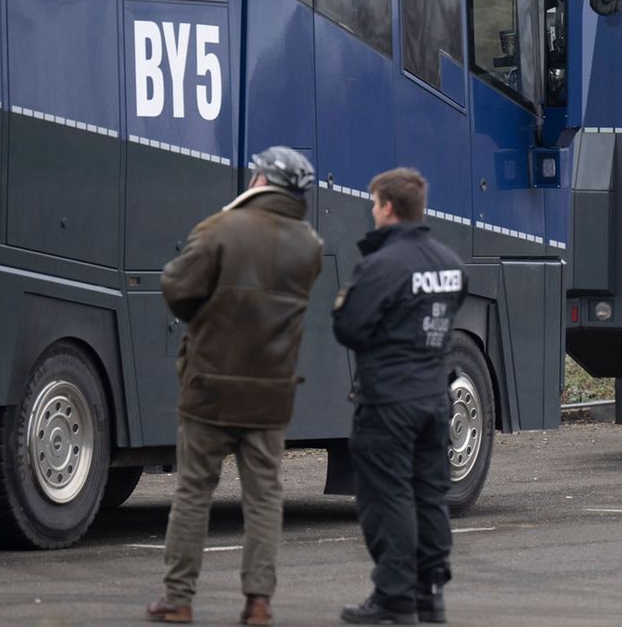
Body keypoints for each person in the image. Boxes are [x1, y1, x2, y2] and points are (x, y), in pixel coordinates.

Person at [145, 147, 324, 626]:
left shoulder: (218, 230)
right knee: (264, 497)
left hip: (210, 390)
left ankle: (179, 599)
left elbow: (177, 289)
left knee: (193, 492)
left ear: (262, 179)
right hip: (270, 394)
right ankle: (259, 603)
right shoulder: (309, 246)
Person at [332, 167, 467, 625]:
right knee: (429, 494)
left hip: (388, 400)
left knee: (385, 495)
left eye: (374, 204)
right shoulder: (449, 262)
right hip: (434, 397)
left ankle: (394, 595)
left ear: (388, 208)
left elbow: (348, 327)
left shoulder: (382, 265)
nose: (373, 212)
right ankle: (430, 592)